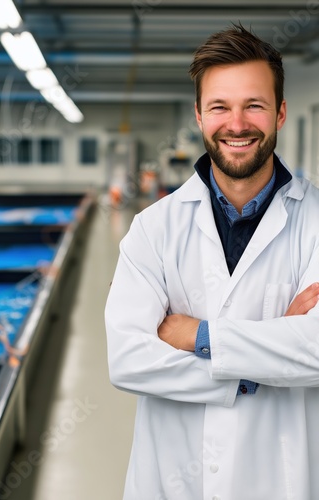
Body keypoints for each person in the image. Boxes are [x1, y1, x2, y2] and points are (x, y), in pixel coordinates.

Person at [105, 24, 319, 500]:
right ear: (199, 116)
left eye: (254, 105)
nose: (237, 123)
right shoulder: (152, 229)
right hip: (171, 480)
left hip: (281, 480)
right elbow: (128, 360)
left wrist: (197, 336)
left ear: (280, 113)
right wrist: (256, 364)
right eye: (220, 106)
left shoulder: (316, 223)